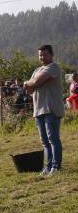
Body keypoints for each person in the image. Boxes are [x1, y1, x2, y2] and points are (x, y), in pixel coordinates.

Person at [24, 44, 65, 176]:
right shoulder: (37, 70)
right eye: (40, 55)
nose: (42, 57)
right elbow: (29, 88)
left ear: (51, 55)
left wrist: (31, 82)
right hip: (38, 110)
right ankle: (47, 167)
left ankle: (56, 166)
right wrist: (32, 83)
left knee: (53, 138)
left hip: (51, 108)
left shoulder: (54, 67)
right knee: (44, 141)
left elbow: (35, 82)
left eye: (45, 54)